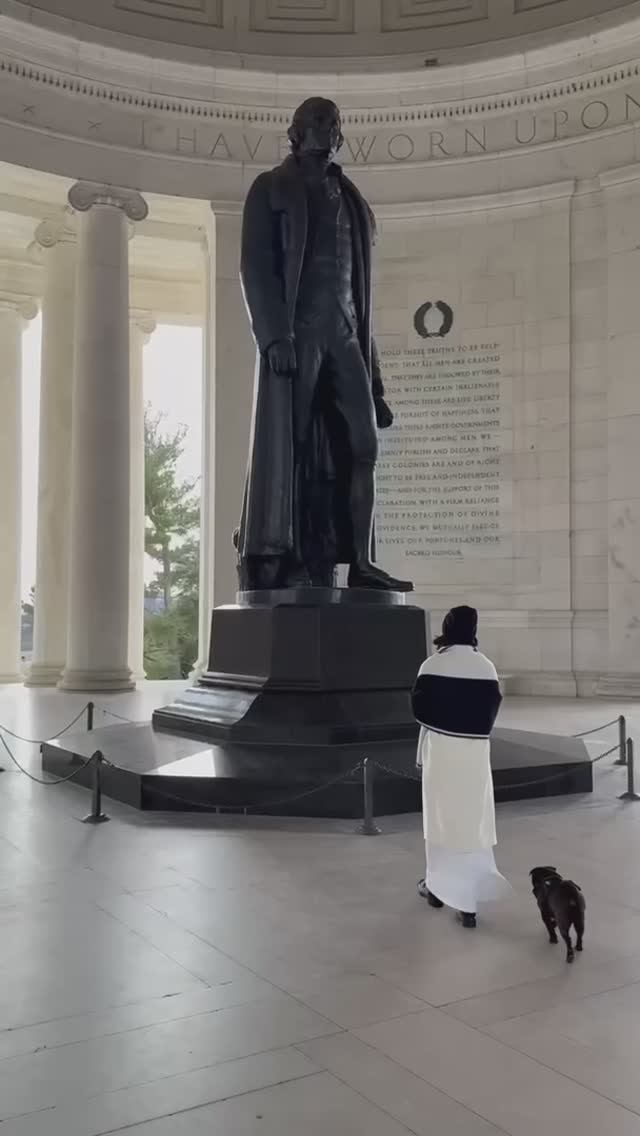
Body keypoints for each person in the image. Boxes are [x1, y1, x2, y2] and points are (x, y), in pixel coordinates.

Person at [236, 95, 411, 594]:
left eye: (333, 123)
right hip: (299, 333)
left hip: (346, 334)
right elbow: (255, 266)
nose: (326, 129)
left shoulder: (351, 198)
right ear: (295, 132)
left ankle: (361, 562)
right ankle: (289, 557)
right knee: (291, 449)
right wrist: (274, 335)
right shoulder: (270, 187)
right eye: (316, 120)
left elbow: (363, 297)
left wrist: (377, 385)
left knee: (364, 446)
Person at [412, 606, 511, 928]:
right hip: (475, 756)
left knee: (440, 820)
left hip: (441, 753)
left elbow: (419, 709)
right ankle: (468, 902)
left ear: (447, 627)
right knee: (472, 821)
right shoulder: (486, 666)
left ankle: (437, 889)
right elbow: (489, 713)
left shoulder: (433, 663)